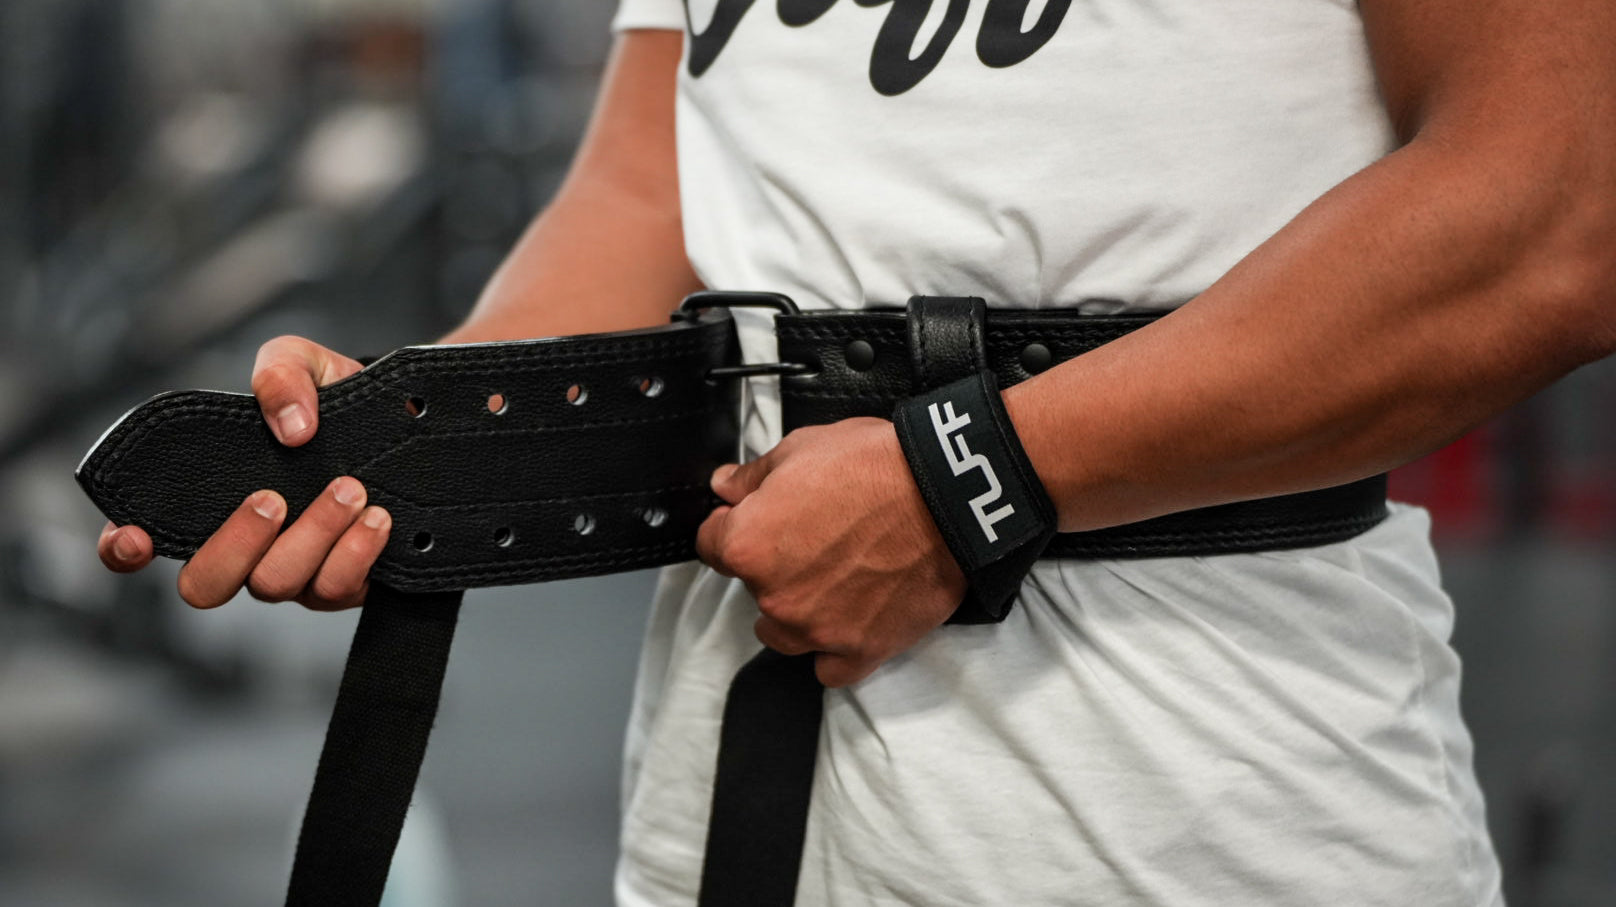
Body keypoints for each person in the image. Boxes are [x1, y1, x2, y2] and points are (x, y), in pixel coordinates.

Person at [99, 0, 1615, 903]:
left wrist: (969, 480)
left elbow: (1556, 205)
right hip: (735, 806)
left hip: (1198, 819)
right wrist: (403, 437)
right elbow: (655, 192)